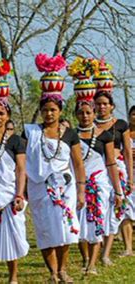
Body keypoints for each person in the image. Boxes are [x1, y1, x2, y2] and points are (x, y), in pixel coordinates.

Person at [24, 54, 86, 283]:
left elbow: (78, 163)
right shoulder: (31, 133)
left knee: (66, 230)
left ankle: (63, 269)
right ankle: (52, 272)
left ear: (60, 110)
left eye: (53, 109)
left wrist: (80, 190)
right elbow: (21, 161)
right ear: (41, 110)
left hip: (66, 188)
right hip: (40, 188)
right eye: (45, 109)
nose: (49, 113)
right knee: (45, 230)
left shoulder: (69, 134)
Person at [73, 79, 123, 275]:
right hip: (78, 186)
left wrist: (118, 190)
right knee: (78, 224)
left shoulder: (104, 135)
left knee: (96, 222)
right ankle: (85, 259)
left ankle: (92, 265)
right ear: (76, 115)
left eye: (88, 112)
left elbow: (111, 163)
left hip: (99, 184)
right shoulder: (70, 135)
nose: (85, 116)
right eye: (81, 113)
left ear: (94, 113)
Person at [0, 77, 29, 284]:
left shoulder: (16, 141)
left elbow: (20, 169)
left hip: (9, 196)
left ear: (8, 115)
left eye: (1, 113)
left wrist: (19, 194)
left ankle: (13, 277)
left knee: (13, 236)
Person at [94, 62, 134, 261]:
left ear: (112, 106)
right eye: (98, 104)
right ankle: (96, 251)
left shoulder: (121, 125)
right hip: (97, 173)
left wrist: (130, 178)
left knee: (119, 209)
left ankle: (116, 250)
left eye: (105, 104)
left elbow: (127, 152)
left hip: (118, 171)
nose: (102, 107)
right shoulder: (89, 126)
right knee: (99, 209)